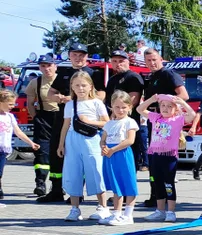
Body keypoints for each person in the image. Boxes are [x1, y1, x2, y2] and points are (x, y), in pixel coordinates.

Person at [37, 44, 101, 203]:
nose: (78, 58)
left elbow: (101, 96)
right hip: (62, 119)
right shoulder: (64, 73)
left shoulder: (94, 74)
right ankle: (56, 190)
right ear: (69, 56)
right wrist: (58, 98)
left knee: (80, 157)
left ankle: (77, 193)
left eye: (81, 55)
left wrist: (75, 99)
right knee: (56, 154)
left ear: (86, 57)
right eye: (75, 55)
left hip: (84, 123)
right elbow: (51, 92)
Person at [59, 71, 110, 222]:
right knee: (73, 171)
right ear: (72, 87)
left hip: (92, 139)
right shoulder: (70, 104)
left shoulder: (97, 103)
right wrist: (61, 144)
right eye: (77, 85)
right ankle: (75, 209)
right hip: (72, 140)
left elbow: (106, 122)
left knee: (96, 170)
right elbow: (65, 125)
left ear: (90, 86)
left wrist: (89, 121)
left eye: (83, 85)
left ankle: (103, 207)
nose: (80, 88)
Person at [141, 48, 189, 208]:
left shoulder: (169, 74)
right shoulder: (152, 76)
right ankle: (155, 195)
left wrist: (166, 101)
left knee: (165, 167)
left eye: (154, 59)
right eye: (148, 60)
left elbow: (184, 95)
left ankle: (166, 203)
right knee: (154, 162)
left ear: (161, 59)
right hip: (154, 120)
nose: (151, 63)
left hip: (168, 121)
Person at [138, 93, 196, 222]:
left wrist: (182, 103)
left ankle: (171, 211)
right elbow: (139, 109)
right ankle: (160, 211)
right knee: (156, 182)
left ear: (175, 109)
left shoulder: (177, 119)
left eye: (169, 106)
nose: (165, 108)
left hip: (169, 156)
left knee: (168, 183)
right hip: (155, 155)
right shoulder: (155, 117)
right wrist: (151, 99)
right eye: (163, 105)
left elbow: (192, 115)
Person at [99, 91, 140, 225]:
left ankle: (128, 215)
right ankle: (116, 213)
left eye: (124, 107)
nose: (120, 110)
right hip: (110, 156)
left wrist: (113, 149)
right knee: (116, 185)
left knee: (127, 183)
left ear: (129, 107)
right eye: (117, 107)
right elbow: (103, 139)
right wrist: (104, 147)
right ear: (111, 106)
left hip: (122, 154)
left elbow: (130, 140)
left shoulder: (130, 122)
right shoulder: (109, 124)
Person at [104, 49, 145, 171]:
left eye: (121, 61)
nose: (118, 64)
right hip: (113, 122)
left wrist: (116, 113)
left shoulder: (133, 77)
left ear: (128, 62)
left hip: (127, 122)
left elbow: (133, 100)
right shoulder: (112, 79)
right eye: (115, 61)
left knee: (129, 155)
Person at [24, 54, 59, 196]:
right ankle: (40, 183)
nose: (46, 69)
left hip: (61, 117)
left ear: (55, 66)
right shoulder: (35, 82)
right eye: (43, 66)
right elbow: (30, 104)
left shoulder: (63, 80)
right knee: (42, 152)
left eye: (49, 65)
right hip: (44, 117)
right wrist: (36, 118)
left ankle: (57, 186)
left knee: (59, 152)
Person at [0, 89, 40, 205]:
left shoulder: (10, 117)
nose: (13, 106)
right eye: (10, 104)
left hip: (3, 149)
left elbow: (18, 132)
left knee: (0, 173)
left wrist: (31, 143)